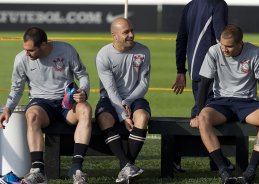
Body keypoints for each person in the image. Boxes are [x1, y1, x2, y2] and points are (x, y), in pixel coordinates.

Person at [190, 24, 259, 184]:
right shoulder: (214, 51)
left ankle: (251, 170)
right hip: (221, 103)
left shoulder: (255, 52)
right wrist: (198, 114)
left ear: (241, 43)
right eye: (222, 45)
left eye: (229, 47)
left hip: (248, 103)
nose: (224, 50)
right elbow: (204, 85)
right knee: (204, 118)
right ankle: (223, 170)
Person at [0, 27, 92, 184]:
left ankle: (76, 169)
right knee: (32, 115)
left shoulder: (66, 50)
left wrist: (83, 91)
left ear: (43, 44)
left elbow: (82, 75)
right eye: (25, 49)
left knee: (85, 109)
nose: (27, 54)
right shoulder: (21, 59)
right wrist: (8, 108)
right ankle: (38, 171)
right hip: (42, 103)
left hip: (66, 102)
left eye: (31, 50)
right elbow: (17, 88)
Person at [171, 0, 231, 172]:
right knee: (208, 113)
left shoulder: (190, 5)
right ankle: (215, 161)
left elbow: (180, 38)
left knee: (202, 110)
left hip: (195, 69)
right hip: (214, 69)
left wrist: (181, 70)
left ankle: (212, 160)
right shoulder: (218, 4)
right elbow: (222, 37)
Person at [95, 18, 151, 183]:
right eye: (126, 32)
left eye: (132, 30)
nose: (131, 35)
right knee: (104, 118)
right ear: (114, 35)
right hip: (110, 98)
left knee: (142, 117)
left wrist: (128, 101)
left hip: (134, 97)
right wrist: (122, 114)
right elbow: (111, 90)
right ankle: (127, 165)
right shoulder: (103, 55)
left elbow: (144, 84)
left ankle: (127, 167)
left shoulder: (144, 51)